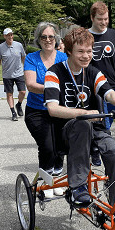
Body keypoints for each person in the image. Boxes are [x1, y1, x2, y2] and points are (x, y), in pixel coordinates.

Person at [44, 27, 115, 208]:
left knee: (113, 151)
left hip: (95, 129)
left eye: (89, 51)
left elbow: (108, 92)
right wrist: (84, 114)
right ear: (68, 51)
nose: (86, 56)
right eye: (80, 52)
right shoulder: (54, 72)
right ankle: (78, 188)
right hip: (66, 132)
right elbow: (52, 109)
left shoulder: (93, 72)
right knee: (82, 125)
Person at [24, 22, 68, 197]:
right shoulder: (31, 58)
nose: (48, 40)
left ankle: (55, 181)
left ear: (56, 38)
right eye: (44, 37)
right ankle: (46, 183)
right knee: (48, 146)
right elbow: (31, 85)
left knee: (61, 146)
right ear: (39, 39)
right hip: (37, 110)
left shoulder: (63, 58)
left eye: (51, 36)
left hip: (58, 109)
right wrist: (53, 87)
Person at [88, 1, 115, 166]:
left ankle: (101, 150)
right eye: (100, 19)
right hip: (92, 88)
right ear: (92, 18)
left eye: (106, 19)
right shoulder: (85, 36)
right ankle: (95, 151)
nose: (103, 22)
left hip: (112, 86)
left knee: (108, 122)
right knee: (97, 122)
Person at [0, 28, 26, 121]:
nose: (10, 37)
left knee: (23, 92)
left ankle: (19, 104)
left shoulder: (19, 45)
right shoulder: (0, 47)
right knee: (9, 94)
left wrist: (27, 69)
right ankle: (13, 112)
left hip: (19, 73)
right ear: (4, 36)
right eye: (8, 35)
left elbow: (24, 57)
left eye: (11, 35)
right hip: (7, 75)